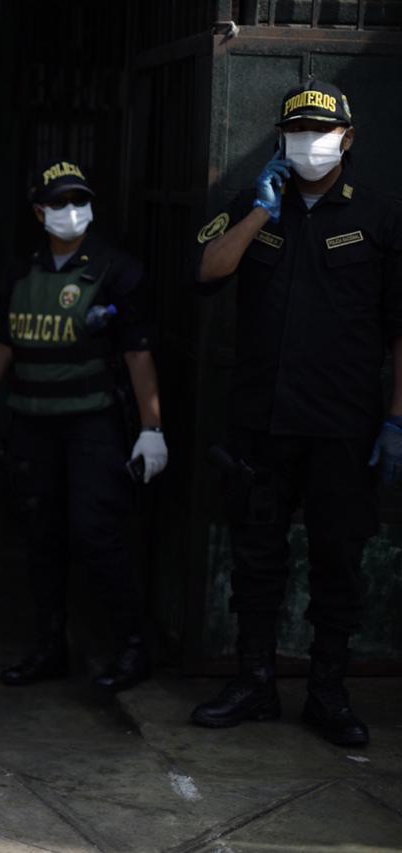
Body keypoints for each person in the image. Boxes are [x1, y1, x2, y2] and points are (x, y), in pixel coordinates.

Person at [188, 80, 402, 746]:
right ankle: (254, 682)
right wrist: (260, 211)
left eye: (321, 131)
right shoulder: (252, 204)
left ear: (348, 138)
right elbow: (207, 270)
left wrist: (397, 420)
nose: (309, 142)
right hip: (262, 419)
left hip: (343, 424)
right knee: (257, 558)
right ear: (281, 140)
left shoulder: (379, 216)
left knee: (338, 558)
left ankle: (327, 691)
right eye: (296, 132)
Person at [0, 159, 167, 693]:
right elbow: (3, 343)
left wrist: (152, 428)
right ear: (38, 211)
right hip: (32, 423)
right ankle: (50, 647)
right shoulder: (22, 272)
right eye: (59, 202)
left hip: (92, 423)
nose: (71, 211)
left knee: (96, 534)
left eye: (79, 200)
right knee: (41, 536)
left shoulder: (116, 270)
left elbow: (138, 353)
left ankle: (132, 647)